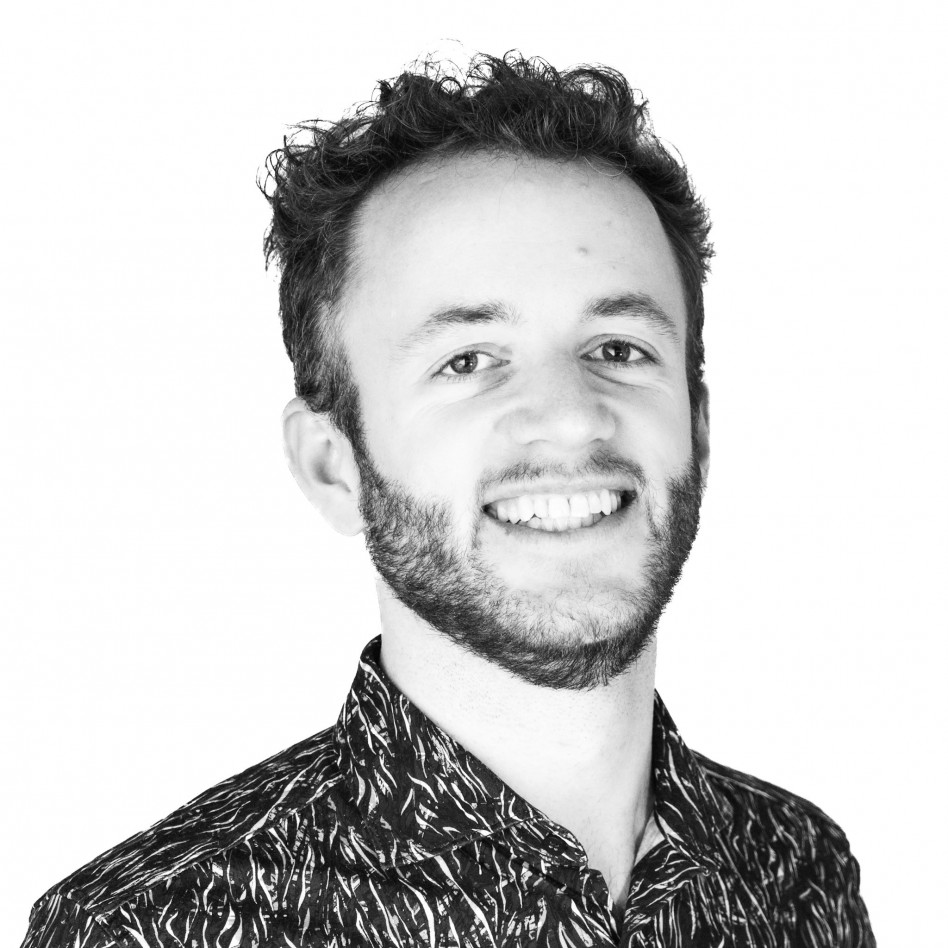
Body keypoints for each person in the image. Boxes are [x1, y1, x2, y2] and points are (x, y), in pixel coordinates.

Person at [20, 52, 875, 947]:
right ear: (333, 466)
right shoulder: (149, 928)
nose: (571, 417)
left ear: (697, 425)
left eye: (619, 349)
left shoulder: (798, 869)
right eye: (467, 361)